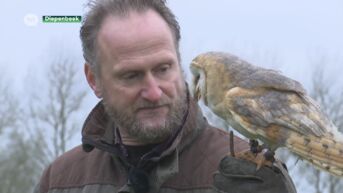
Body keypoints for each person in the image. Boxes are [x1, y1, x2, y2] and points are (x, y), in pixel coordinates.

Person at [34, 0, 296, 193]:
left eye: (163, 69)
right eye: (131, 75)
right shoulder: (61, 180)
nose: (153, 91)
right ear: (94, 80)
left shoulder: (250, 175)